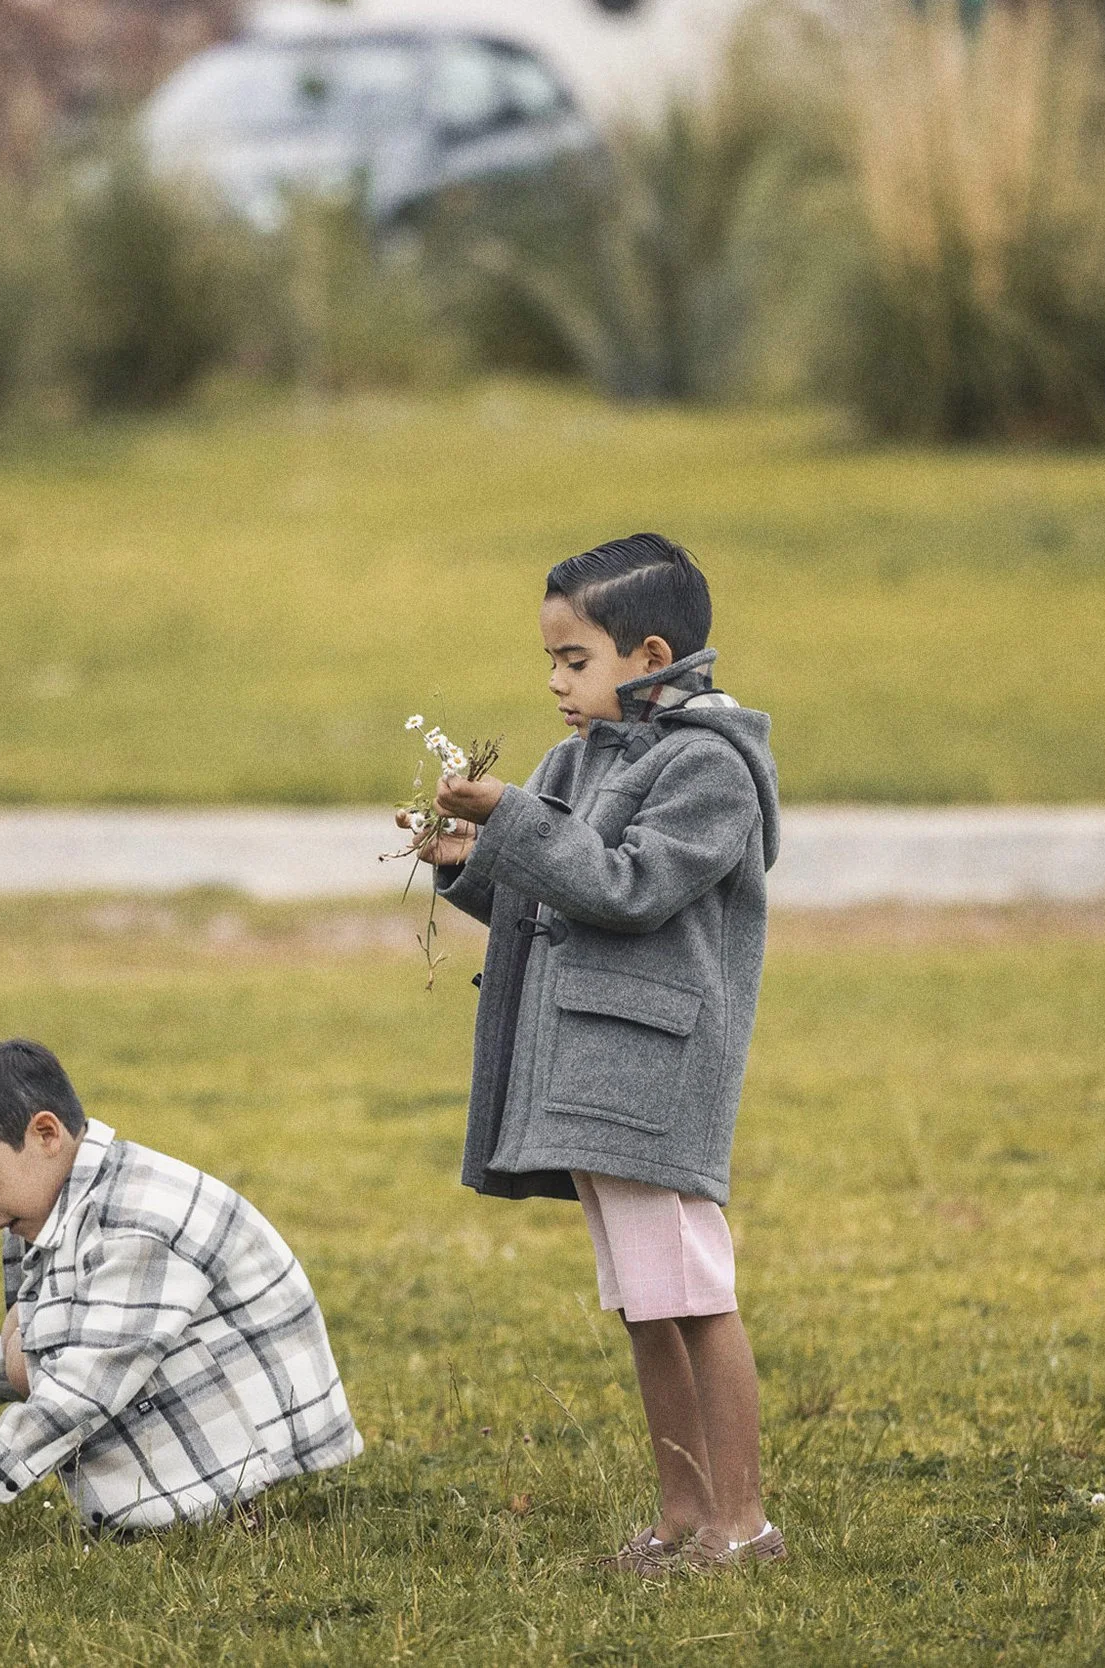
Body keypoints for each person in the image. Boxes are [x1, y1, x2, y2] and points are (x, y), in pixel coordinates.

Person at [406, 532, 784, 1576]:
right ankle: (679, 1516)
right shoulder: (578, 758)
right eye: (551, 663)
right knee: (642, 1305)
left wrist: (514, 821)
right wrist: (468, 863)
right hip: (588, 1070)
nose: (556, 683)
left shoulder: (709, 767)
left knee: (694, 1297)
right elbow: (549, 890)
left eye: (574, 660)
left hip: (650, 1078)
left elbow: (627, 887)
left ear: (650, 652)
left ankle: (743, 1526)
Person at [0, 1039, 362, 1536]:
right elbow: (69, 1338)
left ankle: (225, 1501)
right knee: (26, 1334)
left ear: (47, 1134)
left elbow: (90, 1375)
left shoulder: (137, 1221)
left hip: (254, 1433)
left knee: (39, 1342)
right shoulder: (59, 1206)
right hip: (163, 1380)